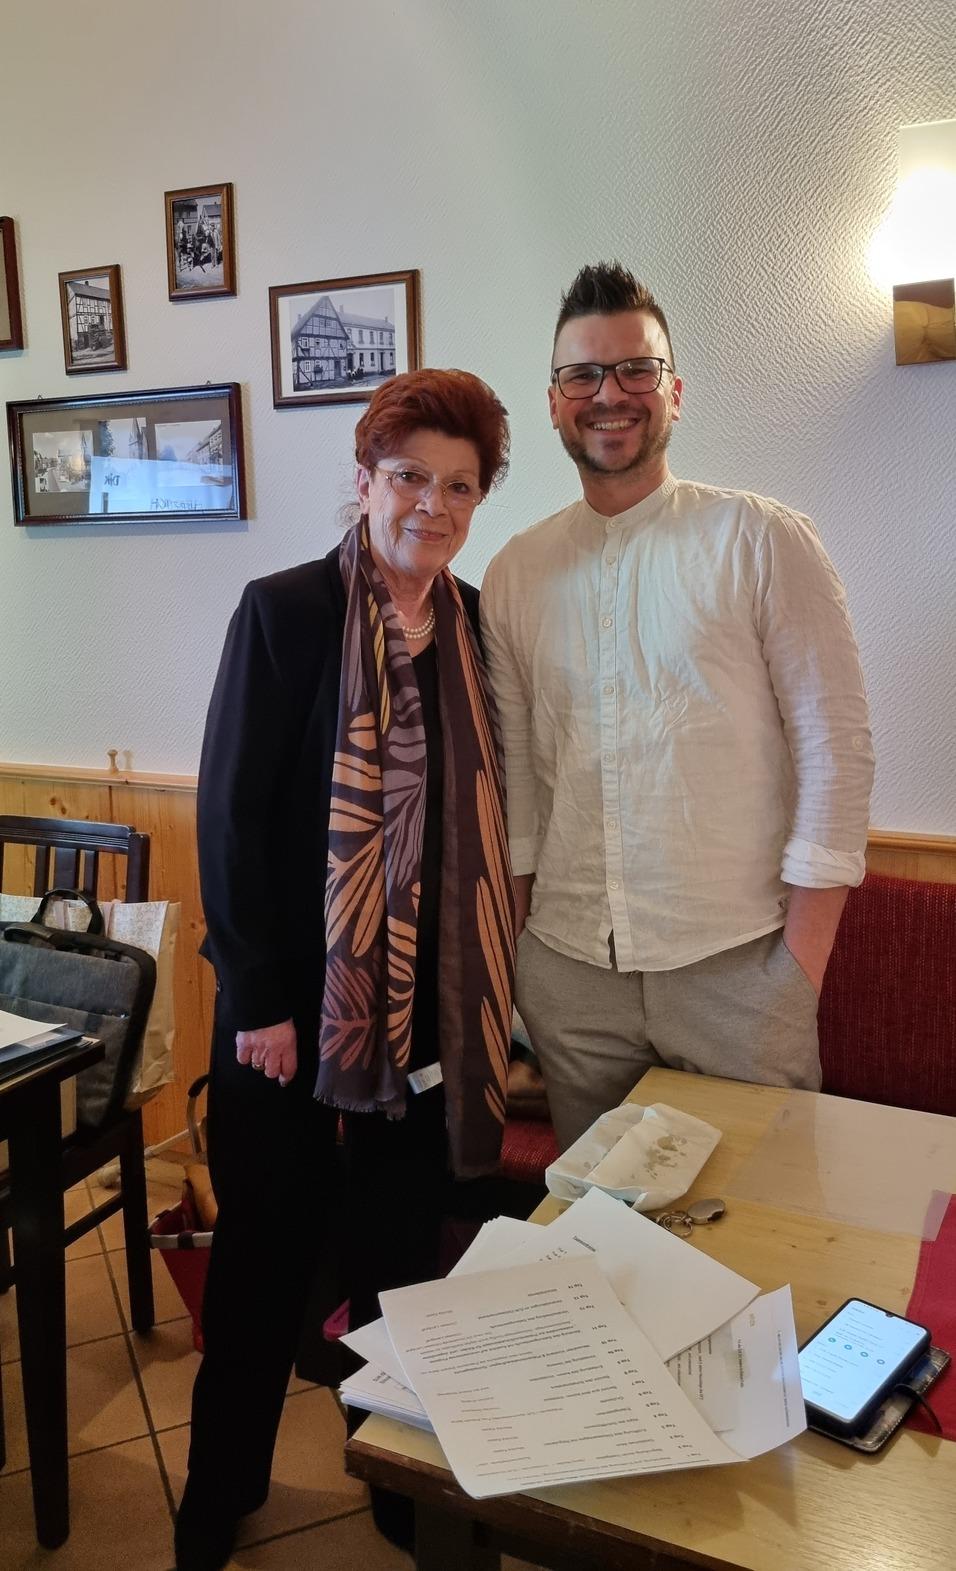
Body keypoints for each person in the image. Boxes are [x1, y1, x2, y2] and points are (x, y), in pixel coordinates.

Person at [175, 369, 516, 1571]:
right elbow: (229, 814)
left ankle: (385, 1475)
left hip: (425, 1019)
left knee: (393, 1271)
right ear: (364, 480)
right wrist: (260, 995)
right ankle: (216, 1495)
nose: (433, 501)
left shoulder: (471, 624)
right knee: (263, 1269)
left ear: (479, 502)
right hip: (289, 1019)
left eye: (459, 484)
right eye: (410, 474)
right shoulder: (284, 612)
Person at [480, 262, 875, 1151]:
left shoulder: (760, 539)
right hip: (570, 974)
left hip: (738, 968)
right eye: (582, 374)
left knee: (761, 1253)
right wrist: (518, 967)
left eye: (635, 369)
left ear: (674, 391)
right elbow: (517, 785)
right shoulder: (515, 573)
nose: (609, 394)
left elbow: (838, 751)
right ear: (553, 402)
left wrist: (795, 973)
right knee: (601, 1242)